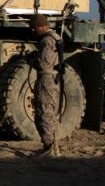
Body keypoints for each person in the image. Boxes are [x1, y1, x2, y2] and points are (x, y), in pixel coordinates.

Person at [29, 14, 62, 157]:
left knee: (44, 111)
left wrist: (31, 59)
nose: (34, 31)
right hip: (53, 78)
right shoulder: (56, 38)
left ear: (42, 27)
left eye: (35, 28)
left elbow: (44, 63)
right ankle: (52, 147)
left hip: (47, 78)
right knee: (50, 111)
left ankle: (49, 147)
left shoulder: (47, 41)